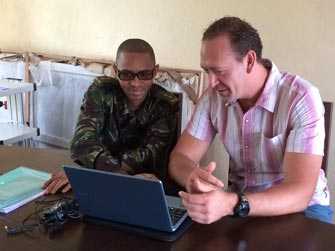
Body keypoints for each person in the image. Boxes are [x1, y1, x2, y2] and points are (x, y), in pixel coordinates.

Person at [169, 16, 333, 224]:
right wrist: (192, 177)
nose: (211, 82)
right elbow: (180, 157)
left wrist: (231, 203)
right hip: (240, 206)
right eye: (206, 71)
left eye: (219, 71)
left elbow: (300, 193)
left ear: (249, 60)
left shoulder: (301, 97)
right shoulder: (212, 98)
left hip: (305, 211)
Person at [44, 38, 179, 194]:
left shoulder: (165, 104)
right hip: (105, 182)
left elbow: (150, 159)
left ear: (155, 72)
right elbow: (81, 144)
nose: (135, 83)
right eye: (126, 74)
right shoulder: (101, 91)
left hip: (144, 189)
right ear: (115, 71)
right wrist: (93, 175)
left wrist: (90, 175)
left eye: (144, 74)